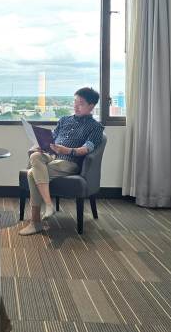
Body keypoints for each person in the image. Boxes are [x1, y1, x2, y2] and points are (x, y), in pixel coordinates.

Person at [19, 87, 104, 236]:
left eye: (81, 103)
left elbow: (86, 149)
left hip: (69, 162)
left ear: (91, 106)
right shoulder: (64, 120)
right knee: (35, 156)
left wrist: (67, 150)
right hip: (51, 157)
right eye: (75, 102)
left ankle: (35, 222)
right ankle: (49, 204)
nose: (76, 106)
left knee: (32, 174)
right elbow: (52, 138)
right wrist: (41, 145)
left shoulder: (95, 127)